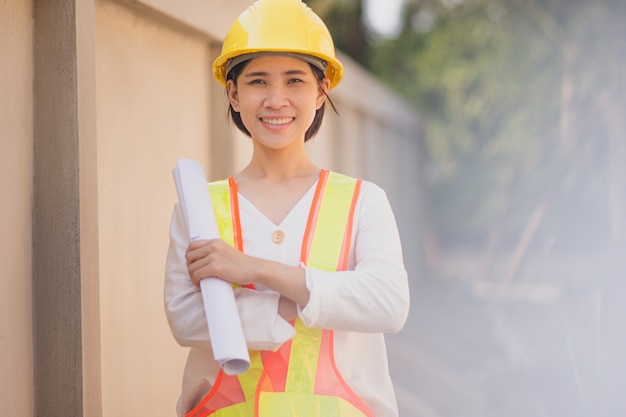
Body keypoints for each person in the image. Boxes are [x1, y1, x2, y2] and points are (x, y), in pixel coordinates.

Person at [164, 0, 410, 416]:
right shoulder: (202, 207)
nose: (276, 100)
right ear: (233, 93)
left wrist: (255, 270)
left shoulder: (363, 201)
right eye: (258, 81)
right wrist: (283, 304)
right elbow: (185, 318)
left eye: (294, 80)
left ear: (320, 91)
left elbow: (388, 304)